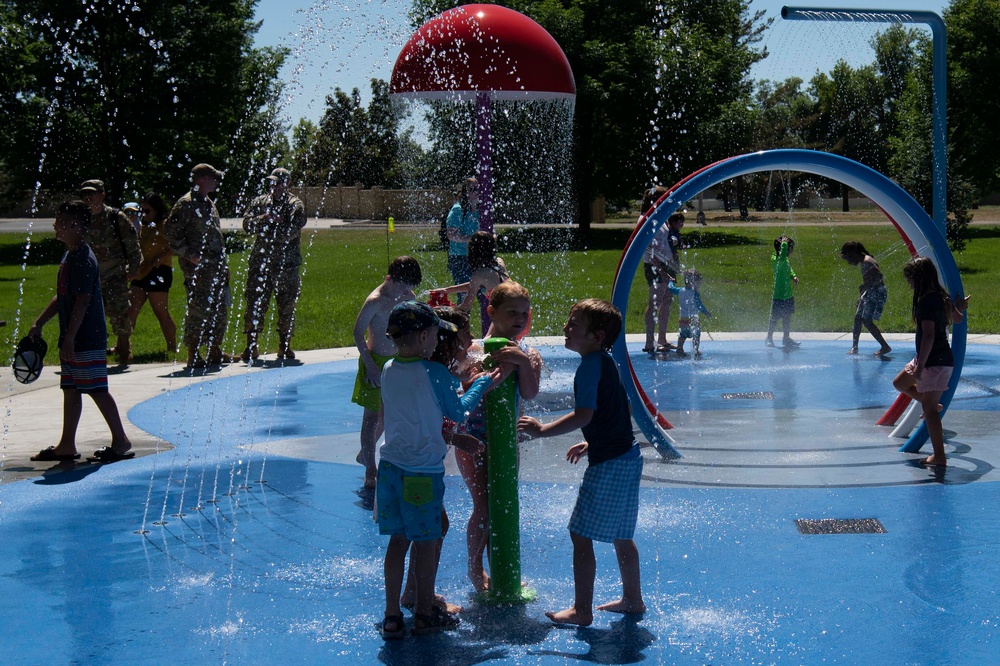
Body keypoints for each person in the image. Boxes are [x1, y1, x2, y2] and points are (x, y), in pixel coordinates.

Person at [518, 298, 645, 626]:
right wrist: (595, 440)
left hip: (610, 462)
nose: (566, 327)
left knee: (579, 533)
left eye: (575, 323)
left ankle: (582, 610)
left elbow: (585, 413)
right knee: (621, 534)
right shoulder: (605, 362)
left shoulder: (590, 365)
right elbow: (616, 409)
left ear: (597, 336)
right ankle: (633, 599)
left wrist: (543, 430)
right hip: (627, 456)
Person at [376, 301, 498, 639]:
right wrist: (481, 384)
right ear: (426, 335)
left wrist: (452, 438)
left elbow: (415, 417)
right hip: (421, 474)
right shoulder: (435, 374)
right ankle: (426, 610)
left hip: (390, 468)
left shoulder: (388, 368)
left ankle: (391, 615)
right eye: (434, 336)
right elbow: (457, 409)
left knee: (399, 541)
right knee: (427, 542)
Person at [27, 201, 134, 464]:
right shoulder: (69, 255)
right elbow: (63, 294)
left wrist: (71, 338)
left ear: (75, 226)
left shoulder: (83, 259)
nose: (55, 226)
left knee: (97, 388)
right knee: (71, 389)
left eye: (60, 222)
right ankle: (66, 444)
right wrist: (39, 322)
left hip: (87, 337)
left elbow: (83, 301)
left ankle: (121, 441)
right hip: (74, 337)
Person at [399, 305, 485, 616]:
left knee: (419, 530)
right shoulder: (434, 376)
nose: (471, 340)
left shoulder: (423, 368)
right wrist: (480, 384)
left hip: (402, 463)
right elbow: (444, 415)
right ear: (445, 339)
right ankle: (422, 600)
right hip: (419, 465)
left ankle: (412, 593)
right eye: (466, 335)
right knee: (434, 526)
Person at [456, 281, 542, 592]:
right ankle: (475, 568)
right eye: (511, 313)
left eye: (524, 313)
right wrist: (493, 369)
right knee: (484, 505)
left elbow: (529, 393)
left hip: (506, 442)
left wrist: (519, 362)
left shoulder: (528, 353)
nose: (519, 319)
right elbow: (465, 387)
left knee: (503, 503)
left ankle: (503, 568)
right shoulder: (473, 351)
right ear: (491, 311)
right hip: (473, 440)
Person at [352, 256, 423, 489]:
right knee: (371, 418)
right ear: (389, 278)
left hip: (397, 363)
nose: (406, 292)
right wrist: (370, 365)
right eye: (402, 286)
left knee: (390, 415)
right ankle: (370, 468)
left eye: (410, 288)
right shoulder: (376, 301)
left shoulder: (406, 297)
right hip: (375, 364)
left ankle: (366, 452)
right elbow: (357, 333)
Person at [892, 257, 970, 467]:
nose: (910, 285)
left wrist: (920, 367)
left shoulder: (926, 303)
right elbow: (958, 320)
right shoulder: (940, 296)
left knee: (929, 412)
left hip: (934, 361)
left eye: (911, 280)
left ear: (920, 279)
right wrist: (958, 307)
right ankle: (932, 403)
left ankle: (939, 456)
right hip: (932, 359)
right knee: (900, 383)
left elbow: (928, 336)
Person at [164, 163, 233, 369]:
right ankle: (193, 353)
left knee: (218, 309)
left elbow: (215, 235)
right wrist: (188, 254)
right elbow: (170, 232)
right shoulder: (186, 203)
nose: (216, 182)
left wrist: (224, 264)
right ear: (202, 179)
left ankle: (214, 350)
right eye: (213, 178)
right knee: (199, 309)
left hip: (215, 267)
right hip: (198, 269)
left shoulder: (208, 202)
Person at [240, 167, 308, 362]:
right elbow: (247, 225)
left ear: (286, 184)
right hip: (260, 264)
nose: (274, 187)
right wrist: (264, 218)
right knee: (254, 303)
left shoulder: (295, 205)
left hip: (286, 266)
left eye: (278, 183)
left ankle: (284, 346)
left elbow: (289, 233)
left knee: (287, 306)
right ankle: (251, 346)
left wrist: (270, 226)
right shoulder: (259, 203)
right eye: (271, 183)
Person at [78, 179, 143, 365]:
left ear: (102, 195)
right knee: (88, 316)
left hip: (115, 274)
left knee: (120, 313)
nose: (88, 198)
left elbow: (133, 245)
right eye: (85, 194)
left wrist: (134, 269)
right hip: (90, 276)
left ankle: (124, 349)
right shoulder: (81, 218)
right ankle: (94, 351)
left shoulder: (116, 217)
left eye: (92, 193)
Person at [127, 192, 177, 355]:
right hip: (142, 271)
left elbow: (176, 246)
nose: (144, 214)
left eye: (147, 211)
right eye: (142, 211)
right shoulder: (145, 226)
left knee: (160, 311)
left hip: (159, 271)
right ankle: (123, 346)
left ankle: (172, 347)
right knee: (131, 309)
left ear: (157, 210)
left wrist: (161, 257)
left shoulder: (164, 225)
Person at [435, 230, 511, 334]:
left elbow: (466, 306)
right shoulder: (499, 262)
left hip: (507, 317)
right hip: (519, 313)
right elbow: (475, 285)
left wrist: (444, 311)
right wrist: (448, 290)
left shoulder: (479, 274)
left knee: (492, 346)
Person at [642, 201, 684, 354]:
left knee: (667, 301)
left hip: (667, 264)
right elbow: (647, 248)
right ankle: (649, 342)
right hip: (655, 266)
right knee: (655, 302)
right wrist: (661, 270)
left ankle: (662, 339)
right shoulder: (646, 219)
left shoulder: (662, 218)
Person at [840, 241, 892, 356]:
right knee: (858, 317)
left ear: (852, 254)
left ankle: (885, 346)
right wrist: (864, 291)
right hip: (871, 291)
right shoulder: (864, 261)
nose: (848, 262)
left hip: (877, 293)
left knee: (867, 320)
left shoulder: (867, 262)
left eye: (847, 258)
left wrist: (867, 288)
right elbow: (870, 280)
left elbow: (878, 275)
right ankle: (855, 347)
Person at [445, 177, 480, 299]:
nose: (476, 192)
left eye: (479, 189)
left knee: (485, 294)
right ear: (466, 192)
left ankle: (487, 318)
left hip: (479, 256)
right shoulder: (458, 210)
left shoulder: (481, 210)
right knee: (464, 295)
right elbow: (451, 235)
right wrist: (474, 239)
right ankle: (462, 317)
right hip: (460, 257)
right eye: (473, 189)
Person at [667, 269, 712, 358]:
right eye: (698, 283)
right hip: (693, 319)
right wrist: (706, 312)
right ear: (693, 282)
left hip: (683, 319)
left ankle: (679, 348)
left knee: (682, 335)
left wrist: (670, 282)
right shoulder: (695, 293)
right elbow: (699, 306)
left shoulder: (680, 290)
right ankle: (695, 351)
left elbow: (671, 289)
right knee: (696, 336)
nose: (700, 285)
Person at [765, 236, 800, 348]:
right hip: (778, 295)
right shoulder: (775, 259)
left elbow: (789, 269)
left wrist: (793, 276)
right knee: (774, 318)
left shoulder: (785, 260)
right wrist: (784, 244)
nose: (792, 251)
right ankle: (769, 338)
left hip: (788, 295)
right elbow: (783, 256)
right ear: (783, 249)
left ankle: (786, 338)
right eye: (791, 248)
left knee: (787, 317)